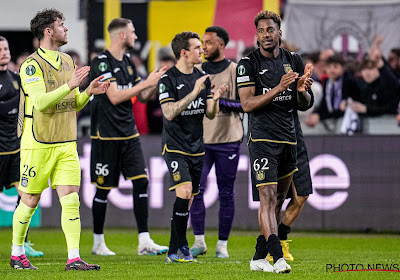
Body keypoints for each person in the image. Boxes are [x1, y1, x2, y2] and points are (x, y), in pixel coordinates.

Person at [11, 8, 109, 270]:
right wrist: (71, 85)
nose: (65, 29)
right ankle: (17, 253)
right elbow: (42, 103)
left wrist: (88, 91)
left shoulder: (67, 61)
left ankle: (74, 257)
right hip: (38, 142)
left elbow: (71, 103)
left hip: (66, 141)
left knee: (71, 199)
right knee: (30, 200)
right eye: (61, 24)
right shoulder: (31, 65)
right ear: (48, 31)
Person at [236, 11, 313, 273]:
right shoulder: (248, 64)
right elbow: (247, 104)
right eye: (261, 31)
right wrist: (279, 88)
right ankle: (276, 255)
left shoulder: (293, 60)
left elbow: (304, 104)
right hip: (261, 139)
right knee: (267, 198)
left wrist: (301, 91)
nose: (266, 35)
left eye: (270, 30)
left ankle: (258, 258)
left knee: (279, 200)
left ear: (279, 32)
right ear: (256, 34)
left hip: (288, 139)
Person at [89, 18, 168, 256]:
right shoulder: (101, 62)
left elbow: (141, 98)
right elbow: (114, 97)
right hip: (106, 136)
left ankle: (144, 241)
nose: (136, 37)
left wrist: (154, 83)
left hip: (129, 133)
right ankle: (98, 242)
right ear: (122, 35)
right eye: (133, 32)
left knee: (141, 181)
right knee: (103, 190)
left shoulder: (127, 62)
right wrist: (146, 83)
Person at [159, 31, 227, 263]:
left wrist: (215, 98)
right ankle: (182, 249)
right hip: (175, 146)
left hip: (197, 147)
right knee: (185, 192)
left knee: (187, 200)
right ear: (184, 52)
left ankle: (173, 250)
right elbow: (169, 112)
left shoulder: (202, 77)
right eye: (197, 47)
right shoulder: (168, 79)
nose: (202, 50)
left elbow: (209, 113)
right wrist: (194, 92)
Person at [189, 26, 243, 259]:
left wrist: (217, 100)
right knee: (194, 191)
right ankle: (199, 241)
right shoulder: (196, 70)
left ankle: (222, 245)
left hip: (228, 139)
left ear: (221, 46)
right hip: (200, 140)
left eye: (209, 43)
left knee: (226, 193)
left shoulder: (235, 70)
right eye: (202, 42)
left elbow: (245, 104)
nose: (203, 47)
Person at [0, 36, 44, 258]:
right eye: (0, 49)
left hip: (16, 149)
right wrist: (16, 101)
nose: (4, 52)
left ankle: (22, 243)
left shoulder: (15, 78)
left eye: (6, 48)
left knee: (26, 194)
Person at [305, 54, 359, 128]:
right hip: (332, 123)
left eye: (335, 67)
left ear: (342, 68)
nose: (332, 70)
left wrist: (320, 116)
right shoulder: (327, 81)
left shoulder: (349, 81)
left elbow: (343, 110)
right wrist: (315, 114)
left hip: (347, 125)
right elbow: (324, 104)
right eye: (329, 67)